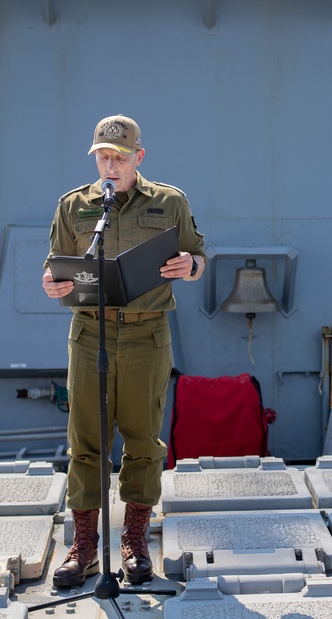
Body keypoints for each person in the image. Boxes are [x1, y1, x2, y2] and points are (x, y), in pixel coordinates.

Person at [42, 114, 206, 587]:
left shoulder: (169, 202)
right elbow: (54, 266)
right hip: (90, 331)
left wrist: (188, 265)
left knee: (141, 441)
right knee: (86, 443)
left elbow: (198, 257)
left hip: (145, 334)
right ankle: (85, 546)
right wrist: (51, 284)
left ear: (139, 156)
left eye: (119, 157)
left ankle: (135, 540)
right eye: (102, 157)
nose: (110, 166)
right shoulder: (75, 206)